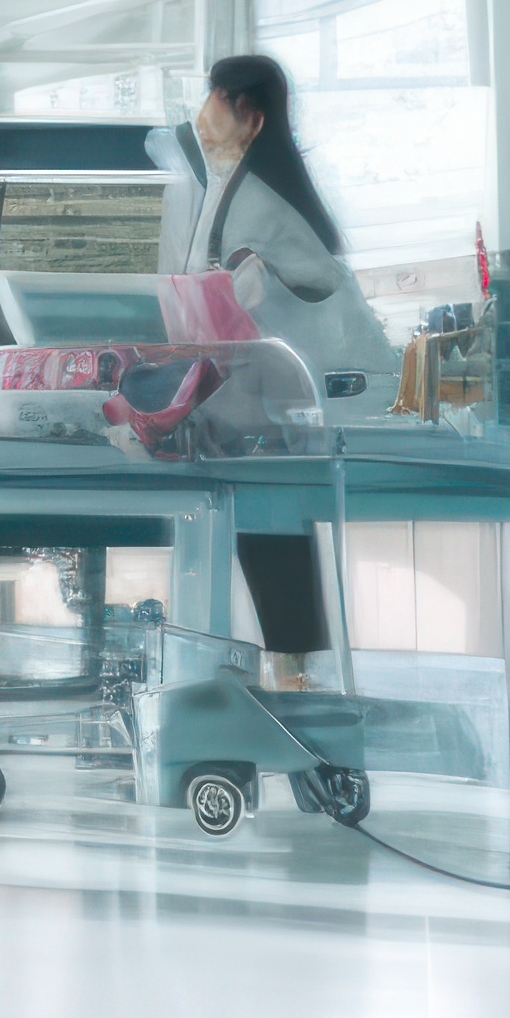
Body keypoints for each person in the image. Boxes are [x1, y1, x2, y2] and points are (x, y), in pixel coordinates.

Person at [157, 51, 383, 693]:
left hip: (304, 405)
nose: (202, 116)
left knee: (270, 527)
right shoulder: (234, 186)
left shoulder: (259, 205)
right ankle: (291, 673)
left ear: (250, 119)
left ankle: (294, 676)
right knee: (265, 529)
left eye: (217, 100)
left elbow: (245, 296)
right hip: (276, 403)